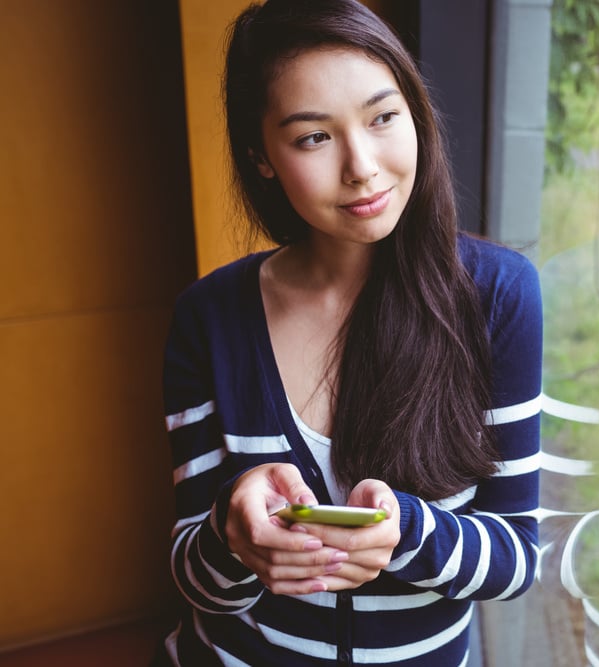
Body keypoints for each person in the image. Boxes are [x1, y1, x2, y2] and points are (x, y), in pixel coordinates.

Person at [156, 0, 542, 664]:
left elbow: (516, 559)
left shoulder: (497, 295)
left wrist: (407, 532)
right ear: (263, 157)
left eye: (383, 117)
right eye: (314, 136)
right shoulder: (209, 316)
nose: (361, 165)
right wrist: (230, 531)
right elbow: (197, 580)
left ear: (415, 114)